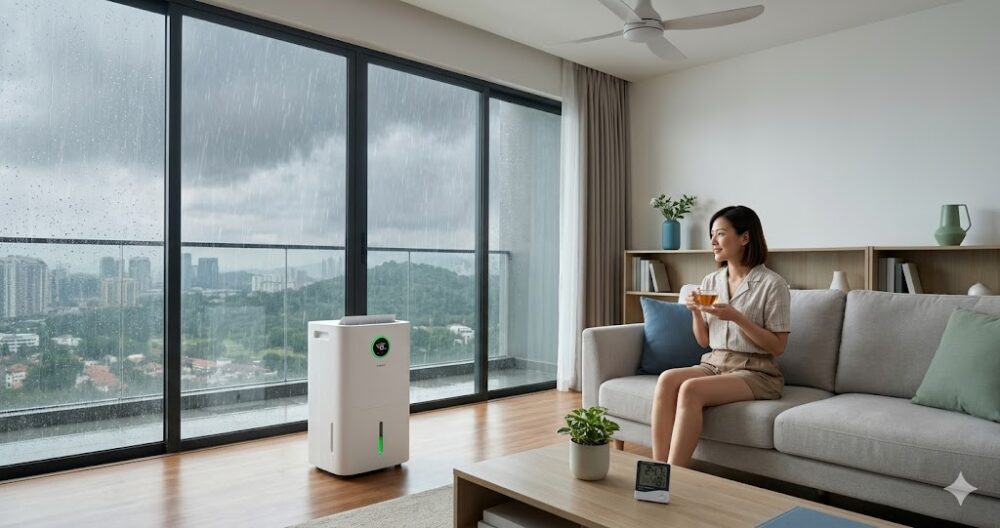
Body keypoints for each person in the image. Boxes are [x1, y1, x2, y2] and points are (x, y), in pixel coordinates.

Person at [650, 205, 791, 466]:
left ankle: (674, 475)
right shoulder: (711, 281)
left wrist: (737, 318)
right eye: (712, 234)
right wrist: (694, 311)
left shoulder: (773, 285)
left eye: (721, 234)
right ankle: (657, 472)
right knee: (667, 380)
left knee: (691, 389)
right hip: (715, 362)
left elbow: (778, 346)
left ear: (744, 238)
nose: (713, 241)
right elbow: (703, 341)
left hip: (757, 371)